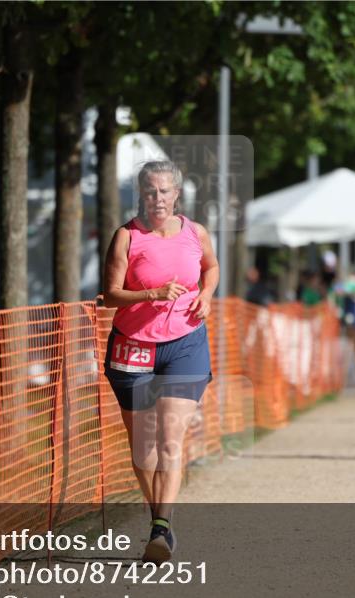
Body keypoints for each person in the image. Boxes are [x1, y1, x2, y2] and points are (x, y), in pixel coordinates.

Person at [102, 160, 218, 564]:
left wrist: (205, 295)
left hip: (185, 345)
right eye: (151, 191)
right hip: (133, 347)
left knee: (171, 438)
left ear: (177, 195)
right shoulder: (126, 238)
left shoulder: (195, 232)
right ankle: (159, 519)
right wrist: (149, 295)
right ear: (141, 194)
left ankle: (161, 529)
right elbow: (110, 295)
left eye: (165, 191)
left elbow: (211, 267)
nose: (158, 199)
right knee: (142, 451)